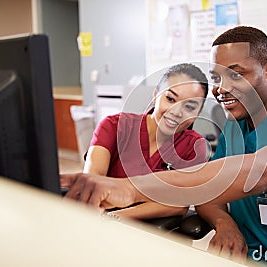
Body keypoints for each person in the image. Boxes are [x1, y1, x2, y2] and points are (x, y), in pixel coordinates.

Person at [61, 26, 267, 266]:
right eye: (217, 78)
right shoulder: (234, 127)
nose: (222, 89)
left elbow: (260, 173)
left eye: (236, 74)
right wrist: (224, 223)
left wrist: (131, 188)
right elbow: (208, 188)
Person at [82, 63, 209, 220]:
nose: (176, 112)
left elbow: (177, 204)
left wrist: (115, 218)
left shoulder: (194, 146)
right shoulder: (114, 126)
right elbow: (92, 182)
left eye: (189, 107)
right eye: (170, 99)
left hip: (149, 231)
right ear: (155, 94)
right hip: (98, 219)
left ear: (198, 113)